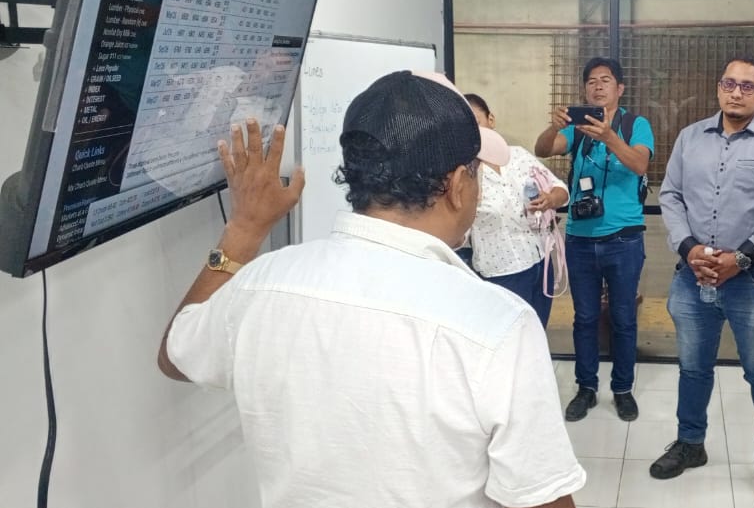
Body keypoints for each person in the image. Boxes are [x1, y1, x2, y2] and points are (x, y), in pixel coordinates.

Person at [158, 71, 585, 507]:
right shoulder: (498, 326)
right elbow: (542, 497)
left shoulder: (260, 285)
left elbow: (176, 355)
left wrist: (244, 229)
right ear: (458, 185)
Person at [653, 55, 754, 480]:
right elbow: (670, 196)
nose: (736, 92)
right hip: (693, 276)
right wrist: (689, 249)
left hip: (753, 281)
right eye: (728, 83)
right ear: (719, 88)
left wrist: (742, 258)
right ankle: (690, 443)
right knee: (692, 366)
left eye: (747, 86)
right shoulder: (690, 138)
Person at [534, 57, 654, 422]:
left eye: (605, 80)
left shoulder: (635, 125)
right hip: (580, 238)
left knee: (623, 318)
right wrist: (553, 127)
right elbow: (543, 149)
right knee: (584, 318)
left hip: (623, 239)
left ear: (620, 88)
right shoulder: (577, 128)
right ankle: (586, 388)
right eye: (591, 81)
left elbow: (640, 164)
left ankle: (623, 389)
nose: (597, 86)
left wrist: (609, 137)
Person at [466, 93, 569, 326]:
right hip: (501, 273)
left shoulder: (518, 156)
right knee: (509, 338)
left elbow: (561, 190)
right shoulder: (464, 172)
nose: (473, 132)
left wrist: (550, 199)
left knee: (537, 333)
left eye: (477, 123)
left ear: (491, 119)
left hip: (539, 261)